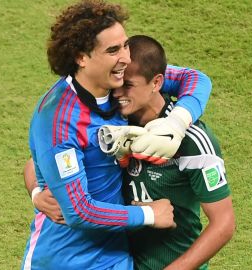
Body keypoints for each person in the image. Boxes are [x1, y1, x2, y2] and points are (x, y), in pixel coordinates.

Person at [22, 0, 212, 269]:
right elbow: (78, 212)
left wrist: (177, 122)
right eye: (113, 50)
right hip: (64, 260)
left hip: (117, 258)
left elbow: (195, 78)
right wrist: (148, 214)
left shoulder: (119, 82)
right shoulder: (59, 119)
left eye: (124, 44)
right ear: (81, 57)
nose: (126, 57)